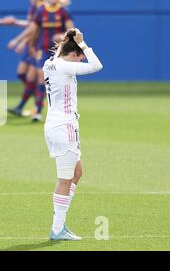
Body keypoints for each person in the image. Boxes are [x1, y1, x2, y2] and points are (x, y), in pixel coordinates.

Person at [43, 28, 103, 240]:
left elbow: (60, 51)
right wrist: (84, 44)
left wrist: (72, 39)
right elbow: (97, 66)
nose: (80, 61)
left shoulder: (50, 62)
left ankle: (60, 224)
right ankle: (57, 228)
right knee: (65, 179)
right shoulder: (64, 66)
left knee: (77, 173)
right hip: (64, 126)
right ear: (75, 54)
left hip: (55, 125)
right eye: (79, 57)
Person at [9, 0, 73, 122]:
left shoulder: (63, 12)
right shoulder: (41, 11)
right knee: (39, 78)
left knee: (53, 81)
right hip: (43, 50)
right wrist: (19, 41)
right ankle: (36, 111)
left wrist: (62, 35)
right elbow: (32, 30)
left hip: (58, 53)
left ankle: (55, 109)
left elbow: (71, 32)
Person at [8, 0, 47, 117]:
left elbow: (34, 29)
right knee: (24, 75)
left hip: (38, 45)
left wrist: (23, 42)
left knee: (33, 76)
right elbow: (32, 26)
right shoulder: (34, 6)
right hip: (33, 44)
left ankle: (35, 104)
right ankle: (37, 98)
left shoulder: (40, 7)